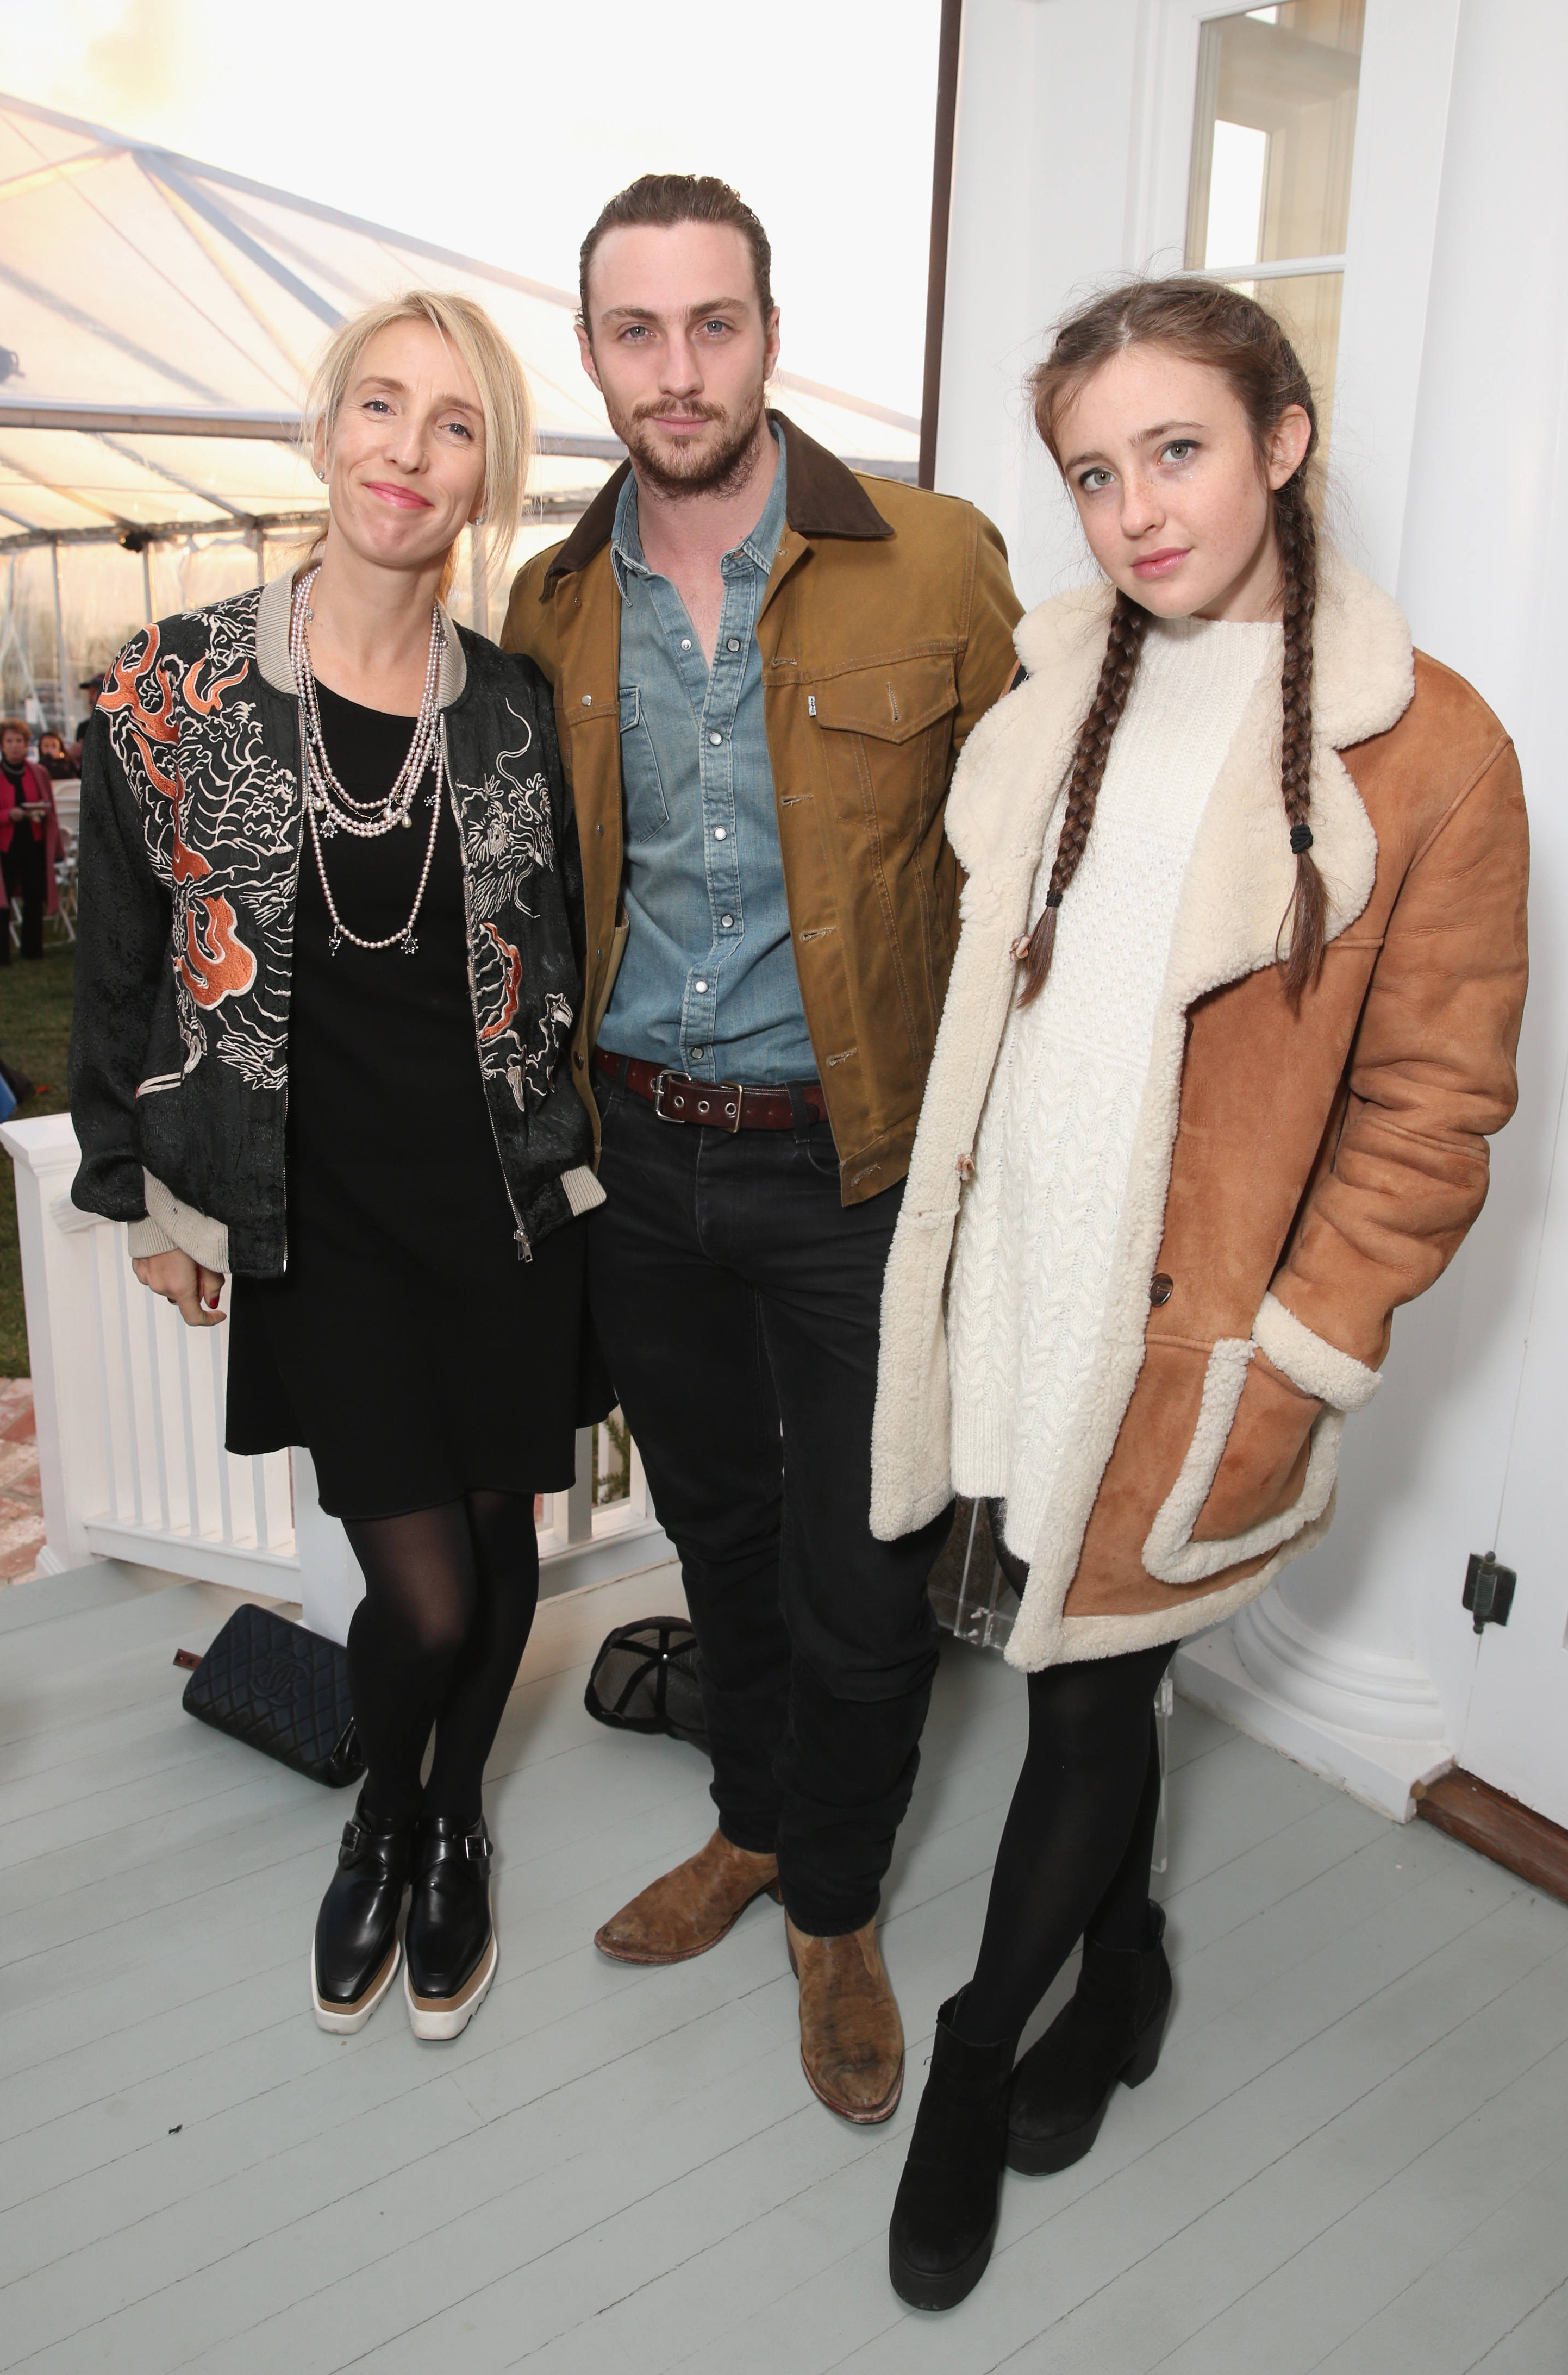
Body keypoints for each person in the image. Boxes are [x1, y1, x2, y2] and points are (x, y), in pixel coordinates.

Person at [870, 277, 1529, 2309]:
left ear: (1280, 440)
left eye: (1175, 449)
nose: (1136, 508)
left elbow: (1429, 1106)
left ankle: (971, 2054)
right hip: (1010, 1283)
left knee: (1084, 1689)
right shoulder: (1050, 687)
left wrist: (1298, 1349)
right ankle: (1130, 1965)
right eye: (1092, 469)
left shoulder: (1426, 748)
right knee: (1083, 1669)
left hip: (1173, 1334)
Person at [502, 174, 1022, 2124]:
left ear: (767, 331)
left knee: (863, 1561)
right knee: (712, 1528)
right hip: (637, 1161)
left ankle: (830, 1901)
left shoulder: (937, 561)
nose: (675, 369)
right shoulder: (548, 606)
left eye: (708, 324)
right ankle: (746, 1826)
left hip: (853, 1165)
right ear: (591, 354)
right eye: (634, 332)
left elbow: (1030, 865)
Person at [70, 290, 610, 2045]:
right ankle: (389, 1812)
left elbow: (563, 949)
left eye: (452, 426)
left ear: (483, 478)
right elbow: (121, 958)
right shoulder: (177, 685)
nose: (407, 450)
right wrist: (144, 1186)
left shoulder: (514, 713)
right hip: (325, 1214)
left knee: (504, 1532)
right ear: (325, 433)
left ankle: (449, 1827)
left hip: (504, 1200)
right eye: (379, 407)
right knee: (424, 1584)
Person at [0, 718, 63, 963]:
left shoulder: (38, 772)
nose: (15, 746)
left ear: (27, 744)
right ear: (1, 745)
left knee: (33, 895)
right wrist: (8, 815)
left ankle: (33, 951)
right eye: (9, 741)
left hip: (34, 841)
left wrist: (39, 811)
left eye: (19, 741)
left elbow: (49, 807)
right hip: (4, 845)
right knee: (1, 898)